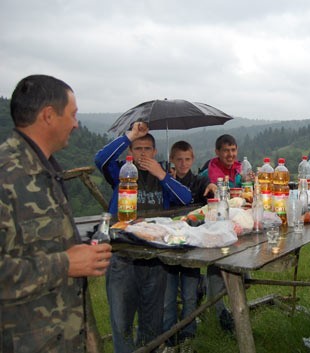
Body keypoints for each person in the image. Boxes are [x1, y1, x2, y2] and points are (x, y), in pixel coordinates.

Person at [0, 74, 112, 352]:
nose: (76, 123)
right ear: (49, 115)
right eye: (72, 114)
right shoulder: (7, 176)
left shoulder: (47, 171)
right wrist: (65, 264)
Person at [95, 122, 192, 353]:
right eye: (137, 149)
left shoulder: (162, 177)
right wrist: (130, 136)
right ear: (130, 152)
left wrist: (161, 175)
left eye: (147, 149)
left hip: (155, 257)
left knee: (152, 322)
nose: (143, 153)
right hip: (123, 256)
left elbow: (186, 199)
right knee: (122, 322)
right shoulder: (121, 172)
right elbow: (100, 160)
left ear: (155, 152)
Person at [163, 141, 215, 353]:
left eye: (187, 159)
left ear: (192, 160)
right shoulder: (166, 181)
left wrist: (211, 187)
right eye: (179, 160)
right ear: (172, 161)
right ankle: (168, 339)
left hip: (192, 244)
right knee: (167, 297)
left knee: (189, 294)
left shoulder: (198, 181)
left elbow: (209, 187)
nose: (183, 164)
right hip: (168, 244)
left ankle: (188, 335)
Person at [198, 134, 245, 332]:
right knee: (218, 266)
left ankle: (227, 299)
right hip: (211, 225)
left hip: (231, 222)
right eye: (226, 150)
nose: (230, 154)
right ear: (217, 152)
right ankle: (220, 312)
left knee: (234, 263)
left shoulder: (238, 168)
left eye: (233, 150)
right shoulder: (212, 171)